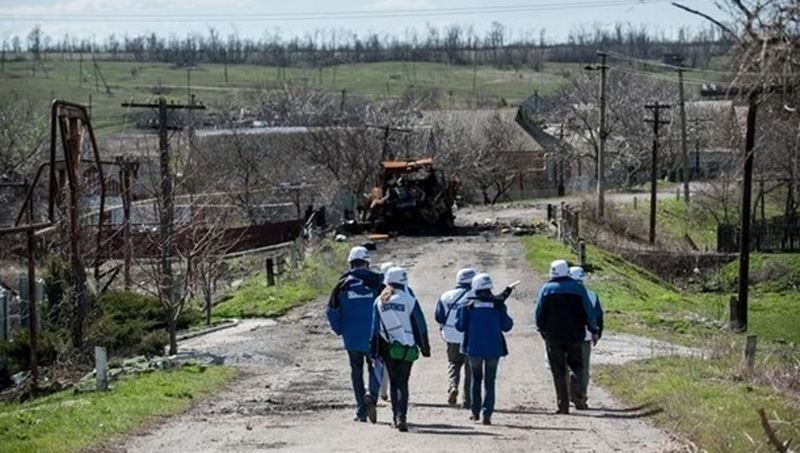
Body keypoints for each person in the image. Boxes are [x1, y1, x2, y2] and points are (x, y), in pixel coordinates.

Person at [327, 246, 384, 423]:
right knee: (376, 368)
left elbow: (332, 311)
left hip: (352, 338)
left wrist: (340, 330)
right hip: (374, 336)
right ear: (367, 262)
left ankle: (361, 411)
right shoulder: (378, 283)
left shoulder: (341, 284)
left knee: (356, 372)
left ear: (351, 263)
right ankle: (372, 397)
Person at [535, 259, 599, 415]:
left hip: (554, 336)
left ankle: (562, 405)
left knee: (558, 371)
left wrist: (542, 329)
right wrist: (593, 329)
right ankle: (578, 397)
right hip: (575, 335)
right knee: (577, 366)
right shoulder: (578, 288)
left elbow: (539, 313)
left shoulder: (546, 289)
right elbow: (588, 310)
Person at [370, 266, 431, 432]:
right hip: (407, 347)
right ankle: (401, 417)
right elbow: (420, 325)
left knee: (394, 381)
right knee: (402, 383)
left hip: (387, 347)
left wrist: (374, 351)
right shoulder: (409, 299)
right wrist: (425, 347)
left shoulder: (379, 301)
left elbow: (374, 328)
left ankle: (394, 416)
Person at [455, 273, 514, 425]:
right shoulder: (498, 304)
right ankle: (487, 413)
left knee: (476, 379)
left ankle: (475, 412)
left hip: (473, 348)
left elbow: (460, 327)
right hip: (494, 348)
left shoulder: (467, 305)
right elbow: (507, 326)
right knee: (490, 381)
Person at [434, 267, 476, 407]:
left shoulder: (446, 296)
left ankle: (453, 386)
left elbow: (439, 317)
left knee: (454, 363)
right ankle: (468, 400)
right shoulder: (476, 295)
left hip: (451, 336)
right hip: (470, 337)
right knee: (470, 368)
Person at [568, 266, 604, 410]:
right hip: (586, 336)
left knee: (566, 366)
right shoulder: (592, 294)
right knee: (582, 369)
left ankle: (567, 394)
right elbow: (598, 316)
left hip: (567, 335)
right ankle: (581, 397)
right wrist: (597, 333)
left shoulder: (563, 292)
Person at [376, 261, 396, 402]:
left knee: (378, 363)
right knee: (391, 365)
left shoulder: (377, 289)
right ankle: (391, 392)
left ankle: (380, 391)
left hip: (379, 332)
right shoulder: (402, 291)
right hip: (395, 332)